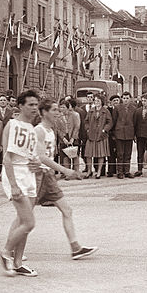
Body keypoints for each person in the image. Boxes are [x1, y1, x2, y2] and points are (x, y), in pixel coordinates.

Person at [33, 99, 97, 262]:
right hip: (37, 175)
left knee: (67, 210)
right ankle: (11, 250)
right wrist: (65, 170)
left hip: (48, 176)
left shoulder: (51, 130)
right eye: (54, 110)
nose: (58, 112)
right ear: (44, 112)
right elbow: (41, 157)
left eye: (58, 109)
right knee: (25, 217)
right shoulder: (38, 130)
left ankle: (75, 248)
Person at [0, 90, 41, 276]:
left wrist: (37, 163)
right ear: (21, 105)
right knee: (29, 222)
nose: (34, 108)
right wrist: (14, 185)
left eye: (36, 104)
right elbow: (7, 158)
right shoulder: (13, 125)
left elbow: (32, 156)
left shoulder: (32, 128)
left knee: (23, 220)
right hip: (15, 173)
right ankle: (6, 251)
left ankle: (18, 261)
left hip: (29, 174)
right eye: (30, 104)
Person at [83, 95, 112, 179]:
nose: (96, 102)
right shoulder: (91, 111)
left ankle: (99, 172)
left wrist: (104, 130)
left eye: (98, 101)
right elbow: (86, 121)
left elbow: (109, 122)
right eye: (95, 101)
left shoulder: (106, 111)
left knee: (101, 154)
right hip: (91, 135)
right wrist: (87, 129)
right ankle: (89, 171)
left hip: (101, 136)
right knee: (88, 154)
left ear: (102, 102)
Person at [111, 92, 136, 179]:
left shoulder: (133, 109)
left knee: (128, 153)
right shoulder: (117, 108)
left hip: (129, 133)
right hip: (119, 133)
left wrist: (134, 134)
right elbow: (113, 121)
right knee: (120, 153)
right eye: (124, 98)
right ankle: (120, 171)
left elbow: (135, 122)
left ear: (130, 99)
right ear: (122, 99)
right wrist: (113, 133)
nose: (125, 100)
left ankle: (127, 171)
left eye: (127, 98)